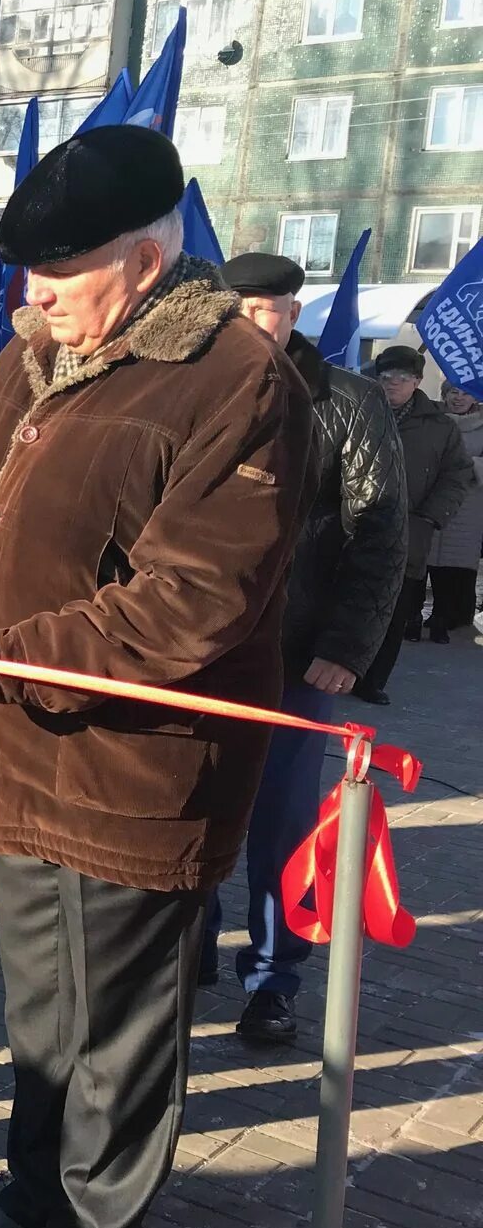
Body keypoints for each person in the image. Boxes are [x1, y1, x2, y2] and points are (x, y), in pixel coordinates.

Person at [0, 126, 313, 1228]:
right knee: (43, 1013)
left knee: (119, 1027)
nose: (32, 299)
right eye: (25, 277)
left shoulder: (237, 383)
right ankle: (32, 1185)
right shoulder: (27, 361)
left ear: (146, 264)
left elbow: (191, 601)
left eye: (60, 276)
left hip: (135, 772)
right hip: (16, 755)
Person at [199, 253, 405, 1043]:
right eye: (245, 306)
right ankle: (192, 948)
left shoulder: (345, 402)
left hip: (296, 655)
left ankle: (275, 976)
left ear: (294, 312)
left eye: (276, 306)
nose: (261, 321)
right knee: (197, 802)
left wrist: (348, 645)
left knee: (282, 825)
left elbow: (380, 531)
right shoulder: (202, 391)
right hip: (204, 652)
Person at [356, 345, 477, 702]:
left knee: (394, 610)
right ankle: (336, 669)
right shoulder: (361, 411)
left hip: (411, 528)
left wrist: (431, 517)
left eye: (402, 379)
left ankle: (373, 680)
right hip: (357, 524)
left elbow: (457, 474)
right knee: (348, 601)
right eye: (386, 377)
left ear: (418, 382)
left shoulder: (438, 426)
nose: (393, 384)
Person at [425, 383, 483, 643]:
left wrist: (467, 464)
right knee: (426, 558)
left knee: (458, 562)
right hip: (433, 496)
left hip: (470, 504)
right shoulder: (431, 421)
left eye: (465, 393)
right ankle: (420, 617)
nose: (458, 399)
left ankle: (455, 614)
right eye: (453, 393)